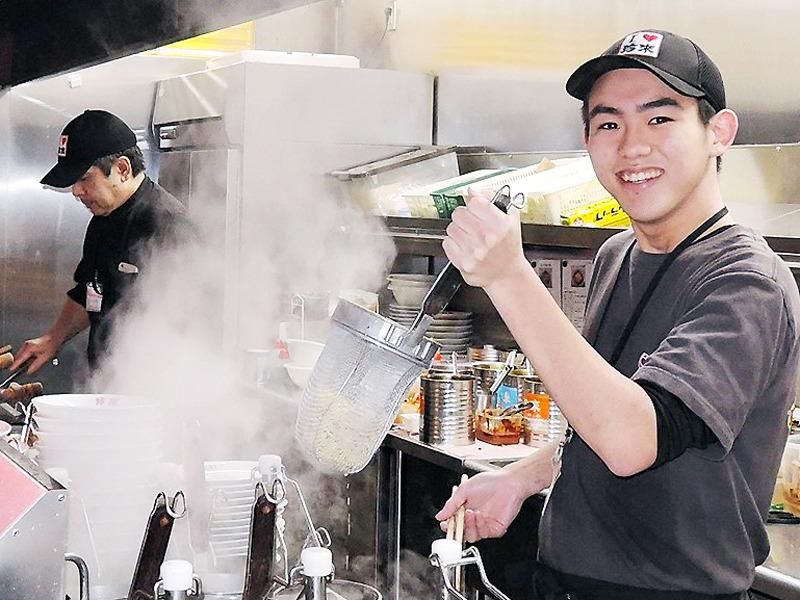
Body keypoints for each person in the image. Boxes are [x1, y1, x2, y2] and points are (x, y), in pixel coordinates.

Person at [436, 30, 800, 599]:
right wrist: (522, 477)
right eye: (609, 124)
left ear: (719, 133)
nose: (632, 147)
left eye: (660, 119)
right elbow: (603, 414)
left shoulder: (747, 282)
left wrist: (508, 276)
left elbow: (634, 441)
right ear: (587, 140)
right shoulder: (617, 254)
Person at [11, 109, 189, 374]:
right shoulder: (102, 219)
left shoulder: (170, 226)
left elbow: (191, 324)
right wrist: (53, 338)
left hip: (151, 383)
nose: (76, 191)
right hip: (105, 381)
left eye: (84, 178)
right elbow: (89, 289)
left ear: (122, 169)